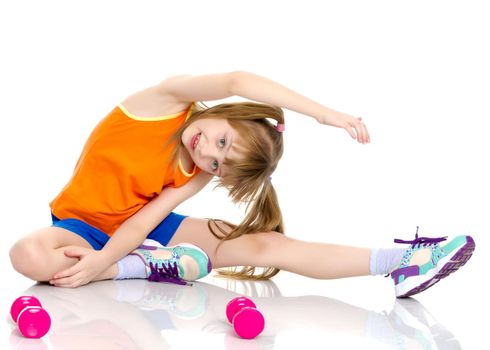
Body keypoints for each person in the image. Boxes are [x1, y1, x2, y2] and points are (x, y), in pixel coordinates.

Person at [9, 71, 475, 297]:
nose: (206, 152)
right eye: (221, 140)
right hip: (79, 227)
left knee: (266, 245)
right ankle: (151, 264)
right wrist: (323, 113)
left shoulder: (193, 173)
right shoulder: (161, 103)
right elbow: (237, 77)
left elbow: (143, 220)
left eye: (217, 163)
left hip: (141, 234)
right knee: (26, 255)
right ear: (225, 112)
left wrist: (105, 266)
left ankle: (403, 262)